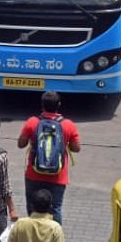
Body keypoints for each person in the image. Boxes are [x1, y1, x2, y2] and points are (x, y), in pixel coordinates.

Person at [17, 90, 81, 223]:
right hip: (58, 176)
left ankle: (34, 235)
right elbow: (76, 148)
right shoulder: (68, 124)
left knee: (32, 207)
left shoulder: (32, 122)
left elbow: (21, 144)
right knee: (55, 208)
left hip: (34, 174)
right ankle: (55, 238)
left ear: (42, 105)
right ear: (59, 105)